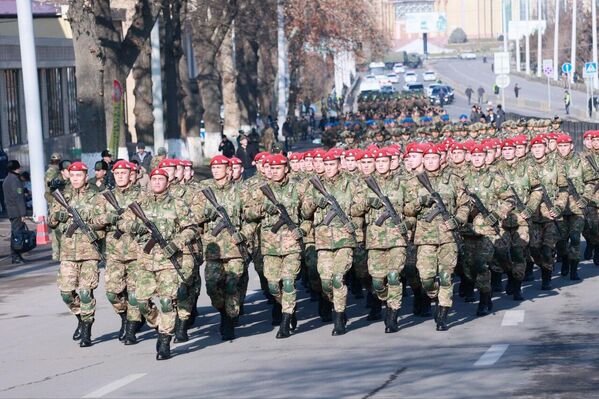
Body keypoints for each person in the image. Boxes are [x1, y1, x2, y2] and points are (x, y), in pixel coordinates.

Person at [118, 167, 196, 360]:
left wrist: (176, 244)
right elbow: (121, 223)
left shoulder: (178, 204)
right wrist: (135, 226)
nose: (157, 183)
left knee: (167, 302)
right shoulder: (140, 204)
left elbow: (192, 228)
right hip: (145, 261)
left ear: (168, 182)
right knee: (141, 301)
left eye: (161, 180)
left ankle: (164, 340)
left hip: (169, 262)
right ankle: (159, 324)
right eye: (154, 180)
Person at [48, 162, 110, 347]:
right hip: (67, 252)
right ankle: (81, 317)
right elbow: (51, 220)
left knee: (85, 292)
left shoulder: (95, 197)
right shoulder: (62, 196)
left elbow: (102, 221)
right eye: (73, 176)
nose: (76, 179)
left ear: (85, 176)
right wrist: (58, 217)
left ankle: (87, 330)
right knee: (66, 293)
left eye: (79, 176)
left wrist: (91, 226)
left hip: (89, 252)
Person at [99, 160, 144, 345]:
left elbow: (149, 220)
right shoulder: (104, 197)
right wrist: (107, 218)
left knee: (134, 293)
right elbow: (94, 221)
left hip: (135, 252)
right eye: (117, 174)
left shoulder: (142, 196)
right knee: (112, 292)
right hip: (114, 252)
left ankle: (131, 329)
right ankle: (125, 316)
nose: (120, 177)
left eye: (124, 173)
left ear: (130, 175)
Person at [3, 160, 27, 264]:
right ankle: (15, 256)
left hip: (11, 210)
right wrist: (23, 213)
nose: (20, 169)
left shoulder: (7, 179)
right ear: (16, 168)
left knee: (15, 233)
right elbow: (19, 198)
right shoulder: (15, 181)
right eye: (19, 167)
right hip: (17, 212)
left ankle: (17, 255)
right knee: (17, 234)